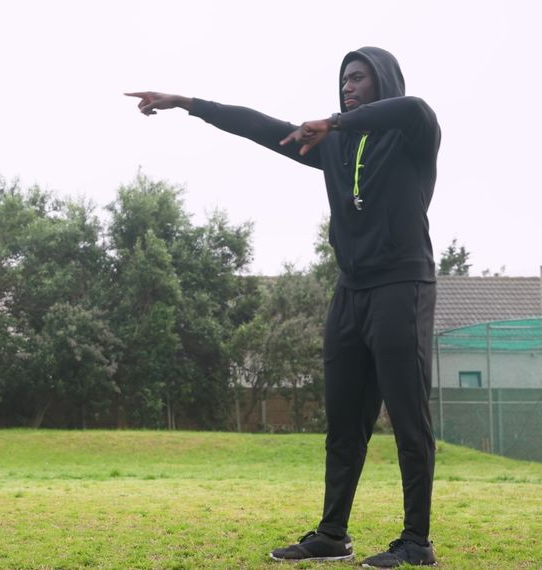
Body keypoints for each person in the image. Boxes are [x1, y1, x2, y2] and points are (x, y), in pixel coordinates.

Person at [126, 46, 440, 568]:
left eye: (358, 78)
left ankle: (416, 543)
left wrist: (337, 122)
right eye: (342, 80)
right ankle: (332, 535)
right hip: (351, 291)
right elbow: (254, 124)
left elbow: (413, 108)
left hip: (401, 285)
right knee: (343, 424)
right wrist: (185, 102)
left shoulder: (411, 134)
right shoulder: (330, 148)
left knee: (409, 419)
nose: (347, 86)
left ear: (382, 81)